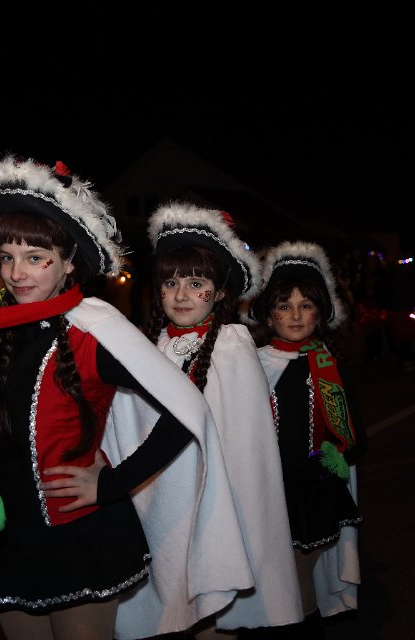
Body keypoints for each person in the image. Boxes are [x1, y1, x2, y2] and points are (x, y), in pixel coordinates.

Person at [0, 157, 254, 640]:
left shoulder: (96, 328)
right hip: (6, 538)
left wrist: (112, 484)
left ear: (70, 262)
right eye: (7, 257)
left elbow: (188, 411)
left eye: (35, 258)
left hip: (78, 535)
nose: (17, 273)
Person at [142, 204, 302, 637]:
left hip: (219, 504)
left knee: (214, 613)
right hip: (168, 502)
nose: (180, 295)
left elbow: (245, 450)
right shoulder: (155, 346)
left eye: (196, 284)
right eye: (170, 283)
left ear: (218, 293)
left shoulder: (232, 347)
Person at [247, 241, 368, 636]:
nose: (296, 315)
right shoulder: (252, 363)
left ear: (321, 312)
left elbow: (356, 436)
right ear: (269, 315)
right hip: (267, 494)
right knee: (271, 583)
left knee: (298, 583)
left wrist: (340, 453)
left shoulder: (329, 365)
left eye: (306, 305)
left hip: (314, 494)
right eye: (285, 306)